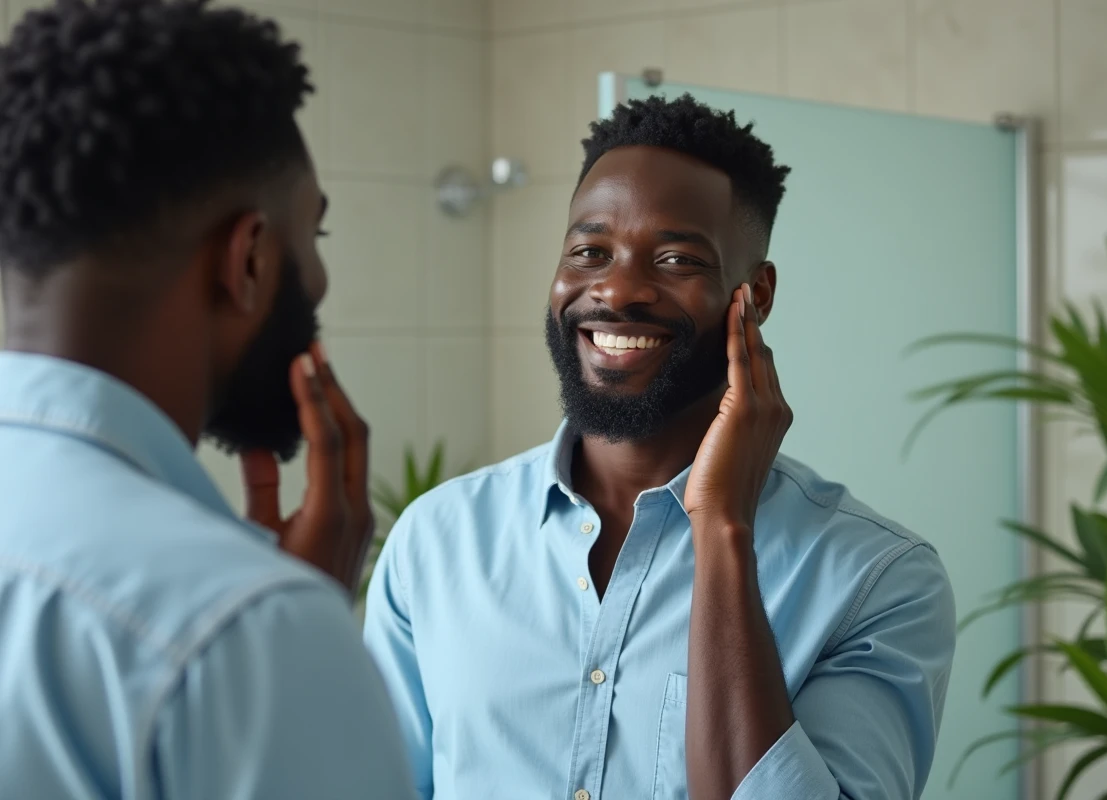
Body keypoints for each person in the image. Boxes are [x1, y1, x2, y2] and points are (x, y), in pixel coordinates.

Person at [363, 93, 957, 800]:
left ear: (755, 295)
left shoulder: (875, 581)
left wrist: (722, 530)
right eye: (590, 251)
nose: (617, 290)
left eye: (676, 259)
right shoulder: (437, 541)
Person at [0, 1, 416, 798]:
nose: (319, 279)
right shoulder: (243, 628)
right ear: (250, 257)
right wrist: (291, 635)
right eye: (313, 237)